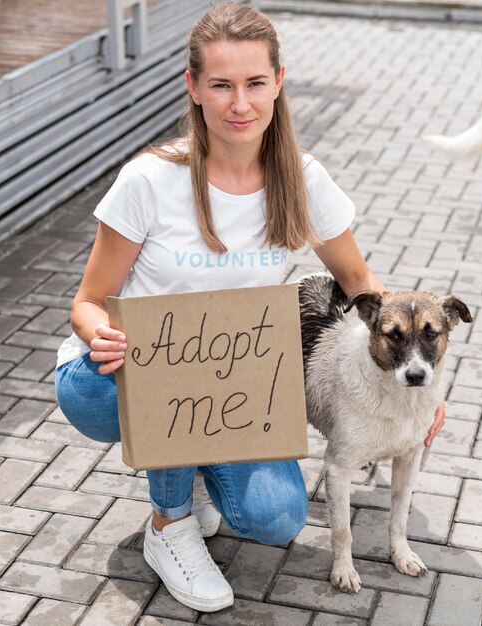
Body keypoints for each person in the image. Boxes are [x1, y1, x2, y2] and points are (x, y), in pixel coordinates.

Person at [54, 1, 445, 613]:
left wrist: (416, 381)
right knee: (139, 390)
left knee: (277, 517)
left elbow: (363, 283)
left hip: (229, 388)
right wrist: (102, 334)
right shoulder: (148, 180)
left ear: (278, 82)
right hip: (112, 377)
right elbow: (85, 303)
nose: (240, 103)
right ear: (193, 87)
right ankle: (169, 524)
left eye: (255, 83)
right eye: (222, 85)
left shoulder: (300, 177)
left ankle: (198, 468)